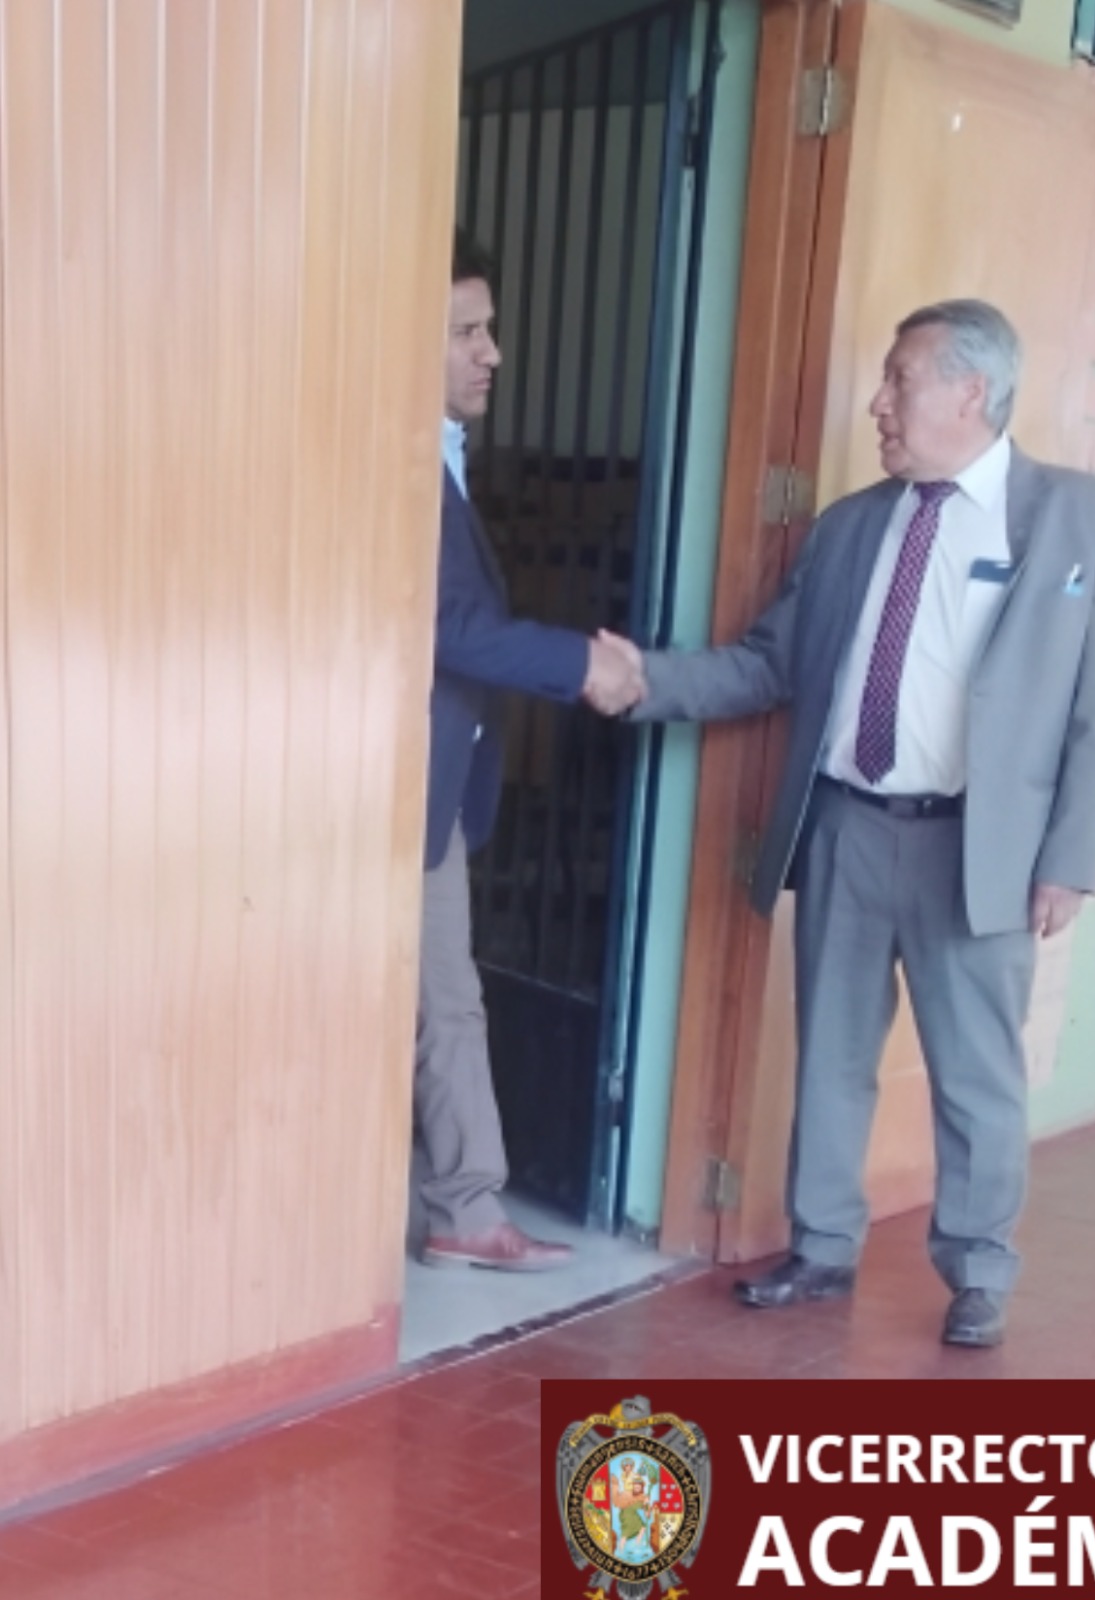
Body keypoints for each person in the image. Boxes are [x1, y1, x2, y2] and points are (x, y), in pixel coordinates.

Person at [600, 300, 1095, 1344]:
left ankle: (978, 1268)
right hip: (847, 825)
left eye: (900, 380)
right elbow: (768, 663)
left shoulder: (1085, 518)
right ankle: (822, 1245)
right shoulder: (852, 526)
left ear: (970, 391)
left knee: (975, 1073)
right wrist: (644, 681)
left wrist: (1069, 859)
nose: (878, 403)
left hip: (976, 847)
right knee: (832, 1051)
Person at [415, 231, 644, 1272]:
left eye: (490, 328)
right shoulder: (399, 460)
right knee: (444, 999)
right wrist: (580, 663)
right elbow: (450, 625)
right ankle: (464, 1210)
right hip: (394, 791)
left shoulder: (443, 454)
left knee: (443, 997)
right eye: (466, 331)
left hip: (431, 787)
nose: (492, 352)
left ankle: (461, 1206)